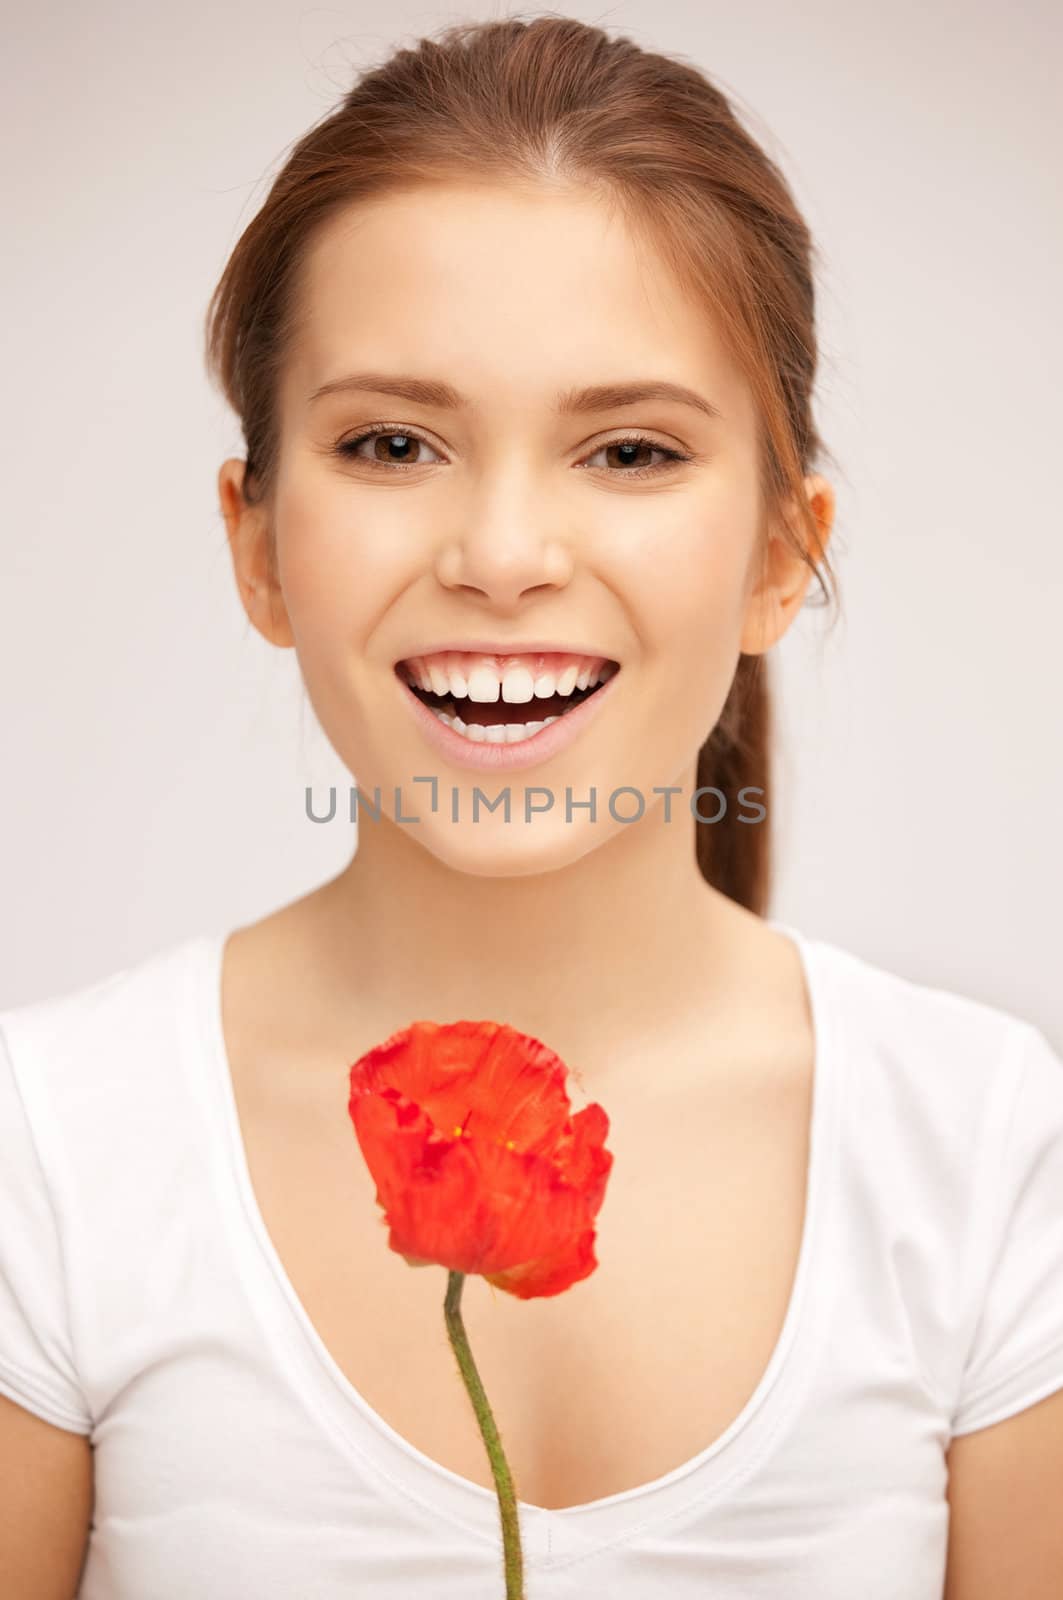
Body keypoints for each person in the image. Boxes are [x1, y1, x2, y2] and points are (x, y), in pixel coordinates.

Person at [1, 15, 1061, 1599]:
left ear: (783, 549)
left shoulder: (981, 1146)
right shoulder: (51, 1149)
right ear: (259, 542)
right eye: (391, 444)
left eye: (629, 449)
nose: (504, 553)